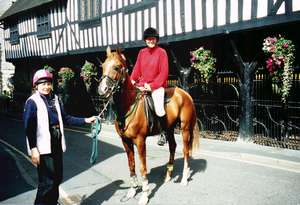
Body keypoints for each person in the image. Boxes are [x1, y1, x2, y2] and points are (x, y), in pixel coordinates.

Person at [23, 69, 96, 205]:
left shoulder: (55, 99)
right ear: (36, 86)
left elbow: (66, 118)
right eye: (42, 84)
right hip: (43, 148)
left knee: (57, 179)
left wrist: (86, 120)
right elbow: (29, 128)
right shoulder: (32, 102)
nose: (46, 86)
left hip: (56, 144)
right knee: (47, 183)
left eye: (48, 83)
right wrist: (33, 149)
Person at [130, 27, 169, 146]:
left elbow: (164, 73)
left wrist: (152, 86)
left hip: (157, 86)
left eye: (153, 38)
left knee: (159, 108)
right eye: (148, 39)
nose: (150, 41)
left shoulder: (162, 52)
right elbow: (137, 69)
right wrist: (132, 79)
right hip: (142, 85)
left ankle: (164, 132)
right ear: (145, 40)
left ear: (156, 40)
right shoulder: (142, 52)